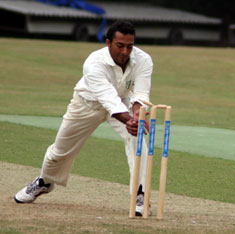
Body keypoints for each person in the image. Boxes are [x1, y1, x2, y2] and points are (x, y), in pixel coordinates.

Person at [14, 21, 154, 216]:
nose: (125, 51)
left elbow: (140, 93)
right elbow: (108, 100)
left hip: (123, 103)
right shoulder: (93, 63)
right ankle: (45, 181)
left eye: (129, 46)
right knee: (59, 151)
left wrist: (138, 114)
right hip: (87, 104)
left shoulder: (144, 60)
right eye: (120, 46)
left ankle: (141, 195)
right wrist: (129, 120)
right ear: (108, 43)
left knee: (138, 140)